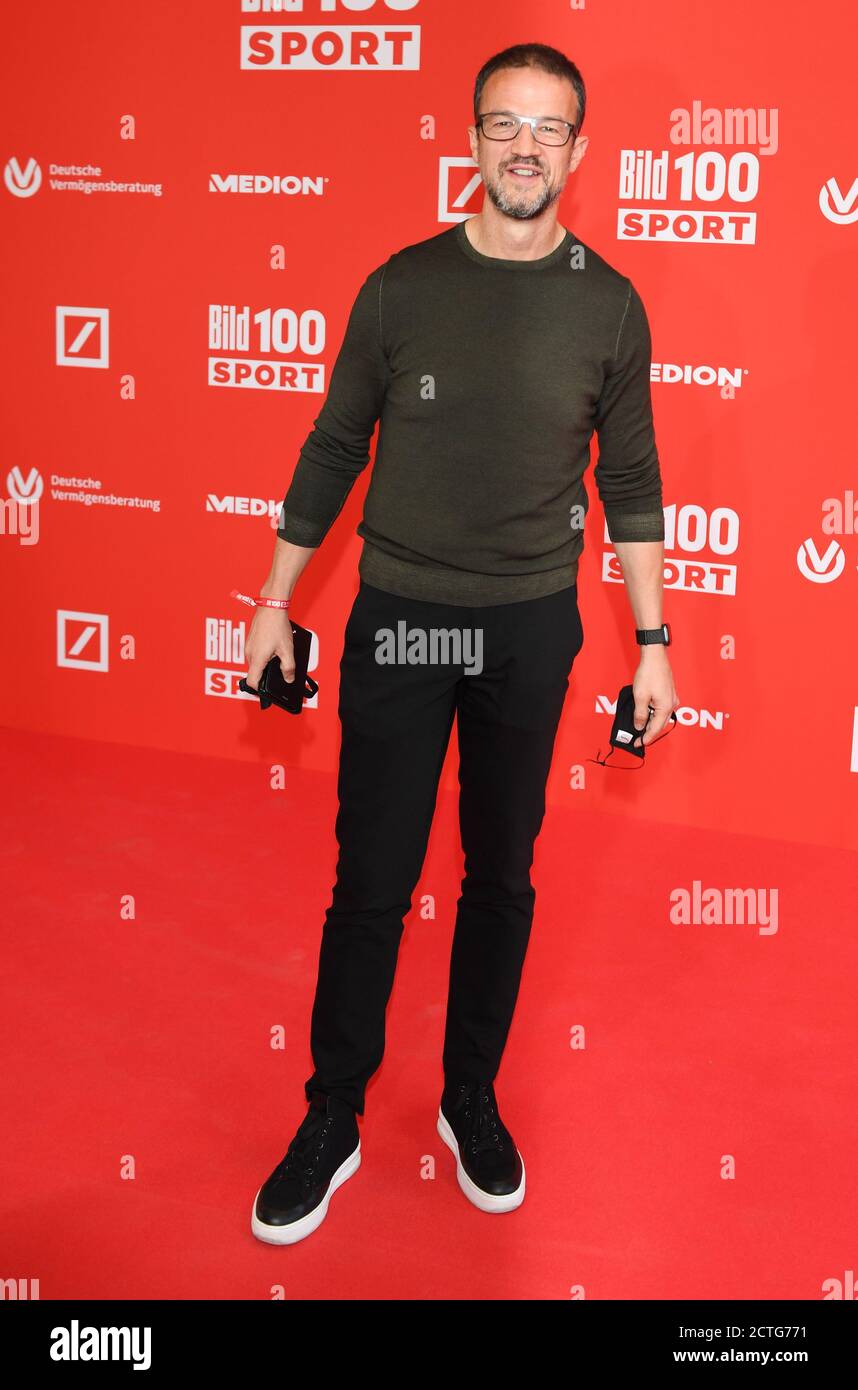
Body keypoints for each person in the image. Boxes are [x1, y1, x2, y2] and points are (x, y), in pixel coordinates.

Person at [246, 41, 678, 1245]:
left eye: (548, 129)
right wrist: (274, 597)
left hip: (531, 624)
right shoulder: (401, 286)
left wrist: (654, 640)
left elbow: (633, 484)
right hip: (399, 615)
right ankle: (331, 1112)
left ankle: (468, 1097)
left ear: (579, 152)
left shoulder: (610, 305)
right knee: (371, 880)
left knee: (501, 873)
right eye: (503, 125)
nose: (525, 147)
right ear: (474, 141)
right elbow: (335, 445)